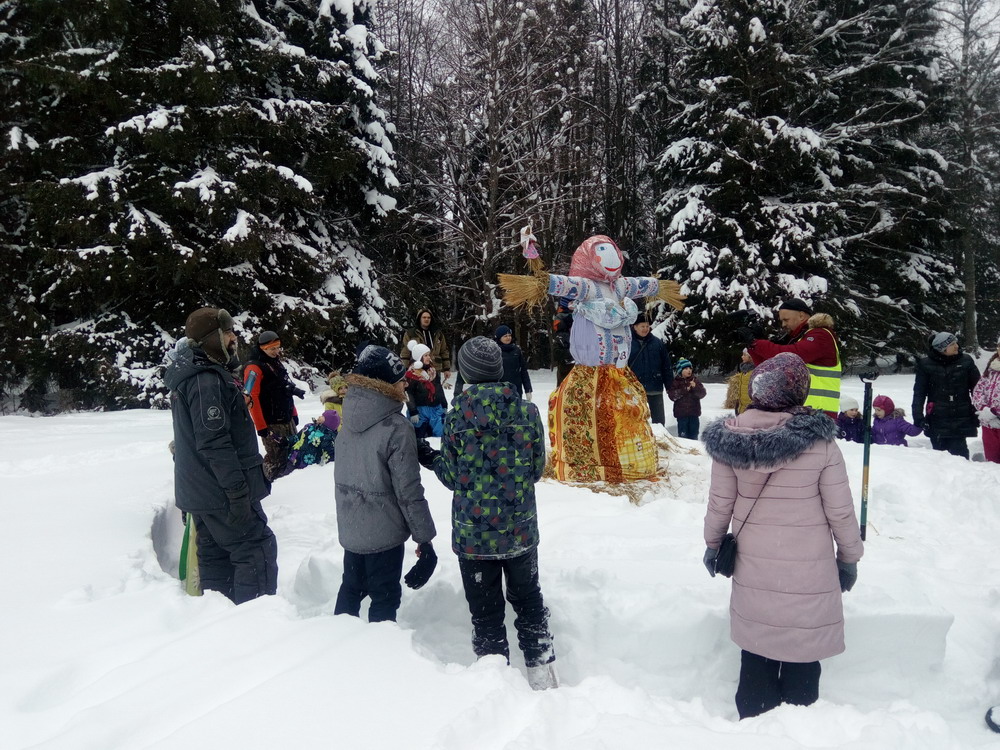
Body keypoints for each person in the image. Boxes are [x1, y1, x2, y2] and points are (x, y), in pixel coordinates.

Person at [701, 352, 864, 719]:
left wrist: (712, 544)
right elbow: (840, 510)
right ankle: (798, 724)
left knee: (757, 647)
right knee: (803, 651)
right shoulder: (820, 443)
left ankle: (754, 719)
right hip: (808, 568)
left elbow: (719, 503)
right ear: (799, 391)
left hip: (754, 564)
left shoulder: (730, 438)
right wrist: (849, 557)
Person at [420, 336, 556, 690]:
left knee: (486, 613)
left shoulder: (456, 418)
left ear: (467, 373)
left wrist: (432, 459)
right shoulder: (527, 413)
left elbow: (452, 478)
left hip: (474, 535)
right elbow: (536, 469)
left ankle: (496, 685)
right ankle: (543, 677)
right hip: (520, 530)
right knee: (529, 602)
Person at [164, 308, 278, 604]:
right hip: (220, 492)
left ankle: (220, 619)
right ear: (211, 339)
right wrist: (237, 492)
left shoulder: (198, 374)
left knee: (217, 555)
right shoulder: (206, 380)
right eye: (227, 332)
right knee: (256, 550)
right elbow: (214, 442)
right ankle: (256, 620)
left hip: (205, 491)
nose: (233, 337)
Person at [333, 345, 437, 622]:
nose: (406, 383)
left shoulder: (349, 416)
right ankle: (379, 648)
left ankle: (334, 642)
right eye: (400, 379)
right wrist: (425, 540)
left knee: (351, 589)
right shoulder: (396, 427)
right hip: (384, 534)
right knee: (384, 598)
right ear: (386, 386)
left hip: (352, 529)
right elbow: (408, 491)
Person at [735, 300, 842, 417]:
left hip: (817, 414)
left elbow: (789, 357)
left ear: (801, 315)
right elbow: (768, 368)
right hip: (801, 412)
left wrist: (757, 343)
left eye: (786, 320)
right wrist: (752, 345)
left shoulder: (821, 335)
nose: (783, 325)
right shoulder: (799, 338)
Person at [244, 330, 305, 479]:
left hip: (287, 419)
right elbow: (250, 397)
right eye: (272, 348)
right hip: (271, 424)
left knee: (292, 456)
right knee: (276, 461)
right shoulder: (253, 368)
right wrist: (261, 426)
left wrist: (294, 413)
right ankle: (267, 485)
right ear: (263, 348)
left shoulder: (276, 363)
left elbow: (285, 389)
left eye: (278, 348)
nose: (276, 351)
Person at [912, 332, 980, 459]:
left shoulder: (966, 361)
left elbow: (978, 390)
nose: (957, 346)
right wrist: (918, 416)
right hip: (937, 418)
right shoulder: (926, 364)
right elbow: (919, 393)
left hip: (961, 415)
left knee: (960, 456)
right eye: (952, 344)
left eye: (956, 343)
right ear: (942, 348)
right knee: (940, 458)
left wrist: (978, 412)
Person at [627, 314, 674, 425]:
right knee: (636, 421)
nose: (645, 329)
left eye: (647, 326)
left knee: (659, 422)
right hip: (635, 389)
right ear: (635, 327)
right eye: (642, 326)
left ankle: (660, 436)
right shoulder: (627, 343)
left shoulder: (657, 343)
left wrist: (670, 386)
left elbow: (666, 366)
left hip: (655, 387)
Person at [270, 410, 340, 480]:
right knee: (283, 479)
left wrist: (323, 469)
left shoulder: (327, 438)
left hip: (306, 467)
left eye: (323, 416)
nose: (319, 417)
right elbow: (297, 437)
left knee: (294, 481)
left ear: (328, 422)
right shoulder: (309, 427)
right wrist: (285, 440)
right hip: (293, 459)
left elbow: (329, 455)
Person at [399, 308, 452, 387]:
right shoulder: (411, 334)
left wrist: (446, 369)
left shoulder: (438, 334)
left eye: (428, 317)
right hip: (417, 370)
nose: (426, 319)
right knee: (420, 392)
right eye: (424, 317)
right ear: (419, 319)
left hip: (435, 369)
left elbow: (444, 351)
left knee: (436, 391)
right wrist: (404, 370)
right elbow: (405, 353)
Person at [404, 340, 447, 437]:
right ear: (419, 358)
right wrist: (413, 411)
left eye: (429, 355)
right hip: (420, 410)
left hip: (435, 408)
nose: (429, 357)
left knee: (440, 435)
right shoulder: (411, 375)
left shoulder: (432, 371)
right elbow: (408, 394)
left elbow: (439, 389)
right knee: (419, 435)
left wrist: (444, 404)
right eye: (426, 355)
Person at [972, 336, 1000, 463]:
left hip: (995, 418)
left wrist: (995, 412)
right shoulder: (991, 368)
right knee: (991, 463)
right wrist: (984, 409)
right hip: (989, 424)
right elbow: (978, 391)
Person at [667, 357, 706, 439]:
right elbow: (672, 396)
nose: (689, 370)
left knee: (694, 435)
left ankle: (694, 446)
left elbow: (702, 393)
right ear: (680, 371)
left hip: (694, 414)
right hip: (682, 415)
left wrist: (695, 387)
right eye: (686, 368)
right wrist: (684, 390)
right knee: (683, 436)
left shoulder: (695, 380)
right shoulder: (676, 382)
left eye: (690, 368)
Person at [723, 350, 754, 416]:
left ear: (751, 357)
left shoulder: (755, 371)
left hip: (751, 410)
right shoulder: (744, 371)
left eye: (744, 355)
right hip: (742, 409)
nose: (742, 356)